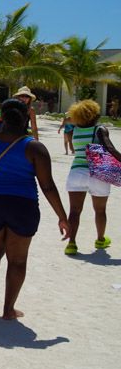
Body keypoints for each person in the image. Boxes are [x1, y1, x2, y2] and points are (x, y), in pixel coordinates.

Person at [0, 99, 69, 320]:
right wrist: (62, 216)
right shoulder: (34, 148)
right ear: (26, 119)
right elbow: (48, 186)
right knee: (17, 260)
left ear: (1, 117)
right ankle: (8, 309)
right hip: (22, 206)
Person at [63, 99, 121, 255]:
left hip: (76, 172)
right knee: (100, 210)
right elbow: (110, 149)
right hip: (98, 174)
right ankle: (100, 240)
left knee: (74, 211)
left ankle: (72, 243)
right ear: (94, 114)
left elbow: (77, 149)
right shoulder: (99, 129)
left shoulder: (73, 130)